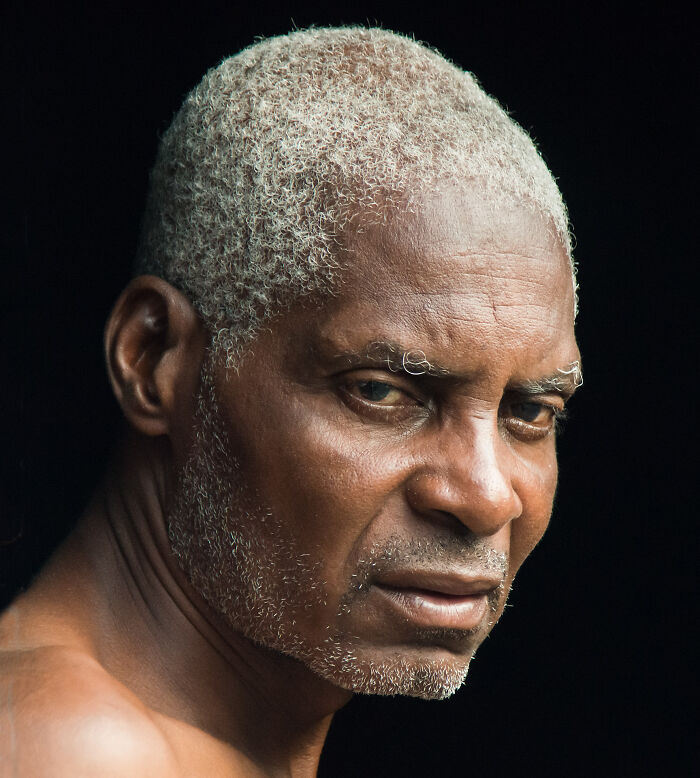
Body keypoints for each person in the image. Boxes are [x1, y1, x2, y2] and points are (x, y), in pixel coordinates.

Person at [0, 26, 581, 777]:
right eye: (382, 391)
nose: (486, 496)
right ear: (153, 358)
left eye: (530, 412)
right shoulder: (76, 748)